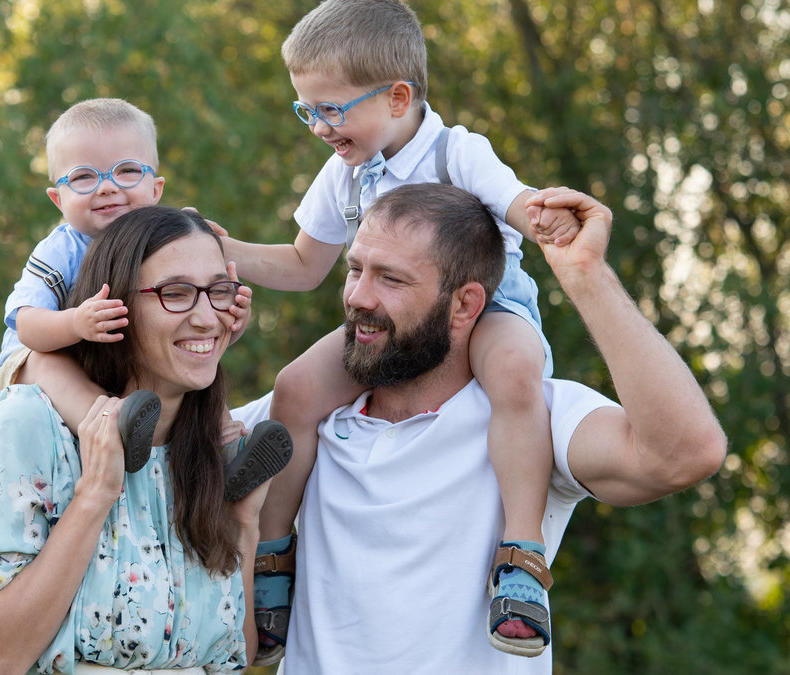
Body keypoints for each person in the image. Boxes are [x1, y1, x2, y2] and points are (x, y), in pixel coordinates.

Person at [210, 0, 581, 660]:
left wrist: (545, 218)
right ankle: (273, 557)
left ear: (399, 95)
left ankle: (521, 558)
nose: (319, 126)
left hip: (489, 311)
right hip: (392, 324)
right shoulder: (346, 173)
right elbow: (302, 264)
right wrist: (219, 250)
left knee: (518, 375)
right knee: (294, 389)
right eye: (307, 110)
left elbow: (514, 198)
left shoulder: (455, 151)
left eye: (331, 108)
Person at [230, 183, 728, 673]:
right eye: (355, 270)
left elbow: (686, 454)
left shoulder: (532, 415)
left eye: (391, 280)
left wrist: (586, 277)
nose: (359, 297)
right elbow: (166, 452)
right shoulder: (304, 414)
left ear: (465, 306)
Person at [0, 206, 278, 674]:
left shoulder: (206, 447)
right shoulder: (32, 424)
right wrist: (94, 497)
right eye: (177, 294)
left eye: (218, 292)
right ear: (114, 307)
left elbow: (231, 659)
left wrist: (242, 525)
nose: (208, 319)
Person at [0, 97, 289, 498]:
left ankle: (227, 445)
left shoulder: (165, 242)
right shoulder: (60, 251)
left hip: (112, 357)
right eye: (83, 178)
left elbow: (187, 321)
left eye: (127, 171)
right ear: (57, 199)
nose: (108, 187)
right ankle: (110, 429)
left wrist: (231, 314)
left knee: (193, 350)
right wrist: (75, 323)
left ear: (156, 187)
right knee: (49, 363)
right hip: (38, 357)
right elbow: (26, 324)